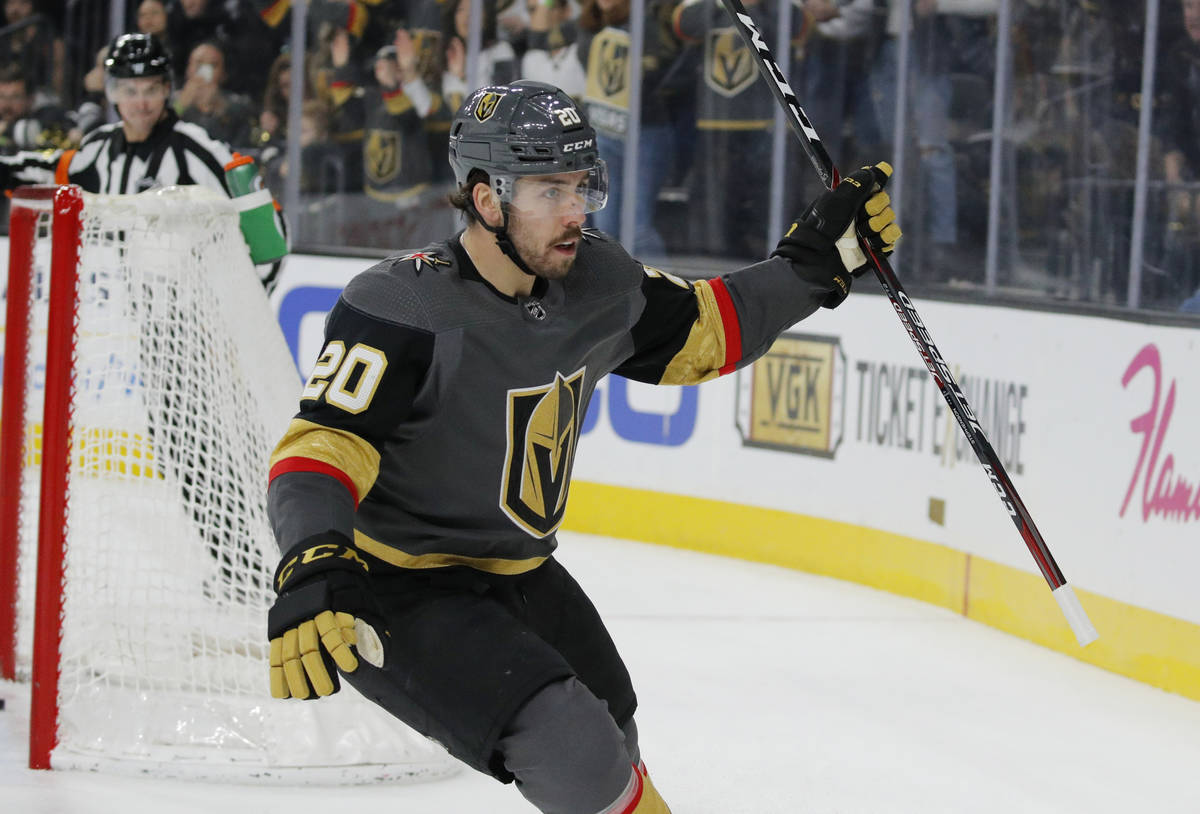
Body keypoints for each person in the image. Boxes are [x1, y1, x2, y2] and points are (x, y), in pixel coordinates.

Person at [264, 80, 899, 814]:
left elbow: (706, 330)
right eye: (548, 190)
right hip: (398, 586)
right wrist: (312, 562)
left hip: (522, 573)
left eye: (580, 185)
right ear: (485, 198)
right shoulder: (402, 307)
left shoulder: (596, 279)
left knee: (613, 730)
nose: (573, 212)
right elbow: (323, 448)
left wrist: (815, 263)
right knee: (575, 748)